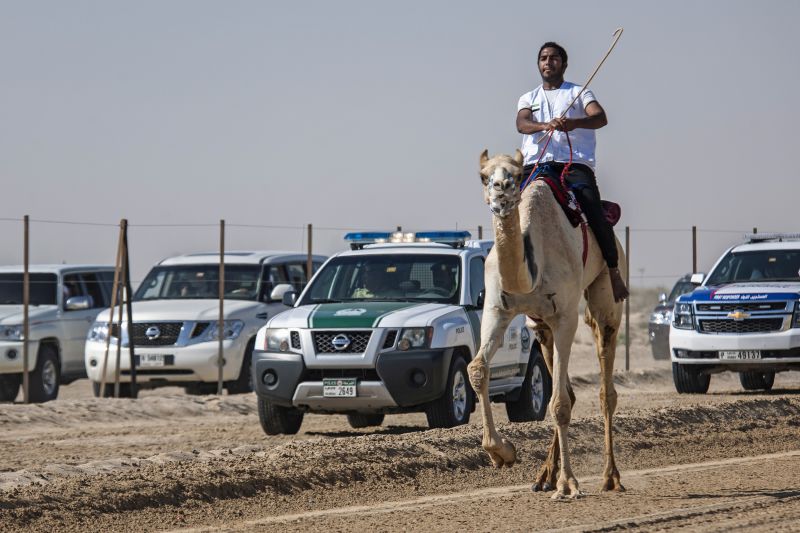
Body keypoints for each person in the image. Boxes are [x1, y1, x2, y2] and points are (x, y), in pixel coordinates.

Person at [516, 41, 629, 302]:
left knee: (592, 208)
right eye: (543, 58)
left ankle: (612, 270)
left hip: (572, 165)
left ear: (564, 64)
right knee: (508, 207)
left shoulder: (580, 93)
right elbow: (522, 124)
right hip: (535, 165)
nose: (548, 62)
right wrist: (545, 125)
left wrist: (574, 123)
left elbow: (600, 117)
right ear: (538, 64)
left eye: (554, 58)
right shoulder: (528, 98)